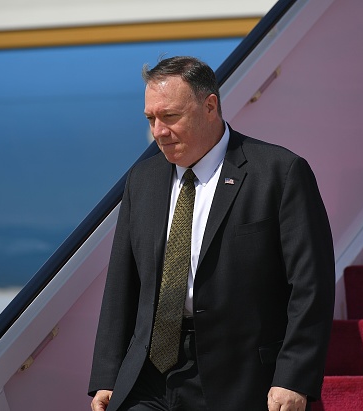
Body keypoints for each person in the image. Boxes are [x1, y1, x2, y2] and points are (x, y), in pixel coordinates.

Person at [88, 56, 335, 411]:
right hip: (148, 376)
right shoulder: (141, 180)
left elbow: (312, 285)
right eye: (151, 119)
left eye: (170, 116)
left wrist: (293, 376)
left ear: (209, 106)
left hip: (237, 376)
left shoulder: (279, 173)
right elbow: (122, 284)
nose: (158, 131)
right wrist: (107, 377)